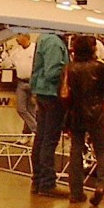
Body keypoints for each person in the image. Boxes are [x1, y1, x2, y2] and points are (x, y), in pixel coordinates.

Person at [64, 35, 104, 205]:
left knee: (76, 149)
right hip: (96, 111)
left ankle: (76, 192)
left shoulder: (70, 68)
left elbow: (65, 93)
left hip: (76, 112)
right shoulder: (100, 67)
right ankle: (102, 183)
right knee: (101, 149)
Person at [29, 32, 70, 198]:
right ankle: (47, 183)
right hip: (52, 94)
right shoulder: (54, 42)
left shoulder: (43, 38)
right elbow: (52, 72)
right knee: (49, 139)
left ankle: (37, 180)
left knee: (41, 137)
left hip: (42, 93)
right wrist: (68, 72)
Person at [2, 33, 37, 133]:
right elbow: (6, 64)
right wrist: (5, 54)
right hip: (21, 83)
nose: (17, 39)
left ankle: (27, 134)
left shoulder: (35, 48)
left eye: (18, 36)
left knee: (32, 110)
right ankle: (36, 129)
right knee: (21, 109)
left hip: (33, 82)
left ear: (25, 37)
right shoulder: (16, 52)